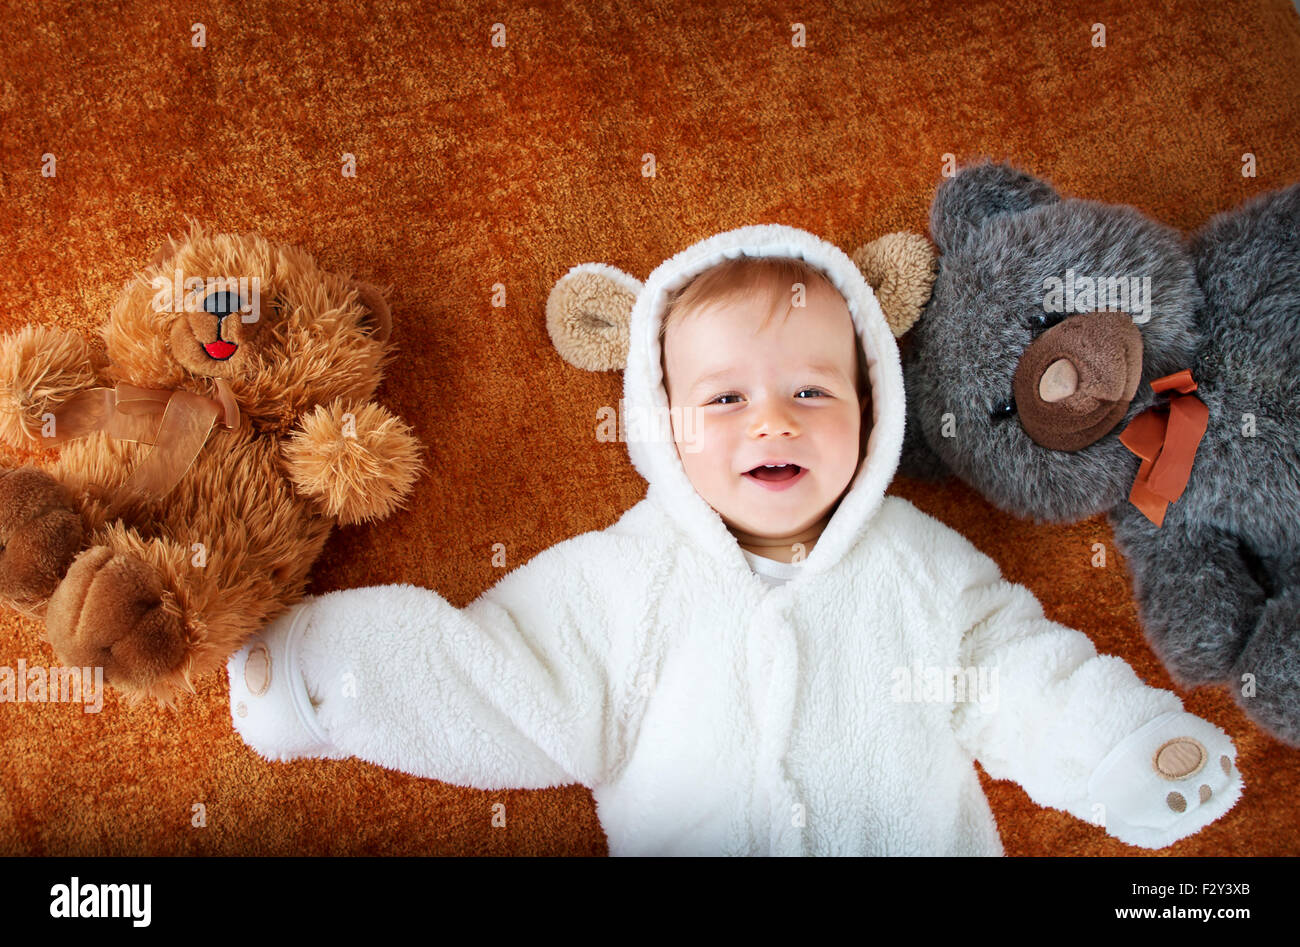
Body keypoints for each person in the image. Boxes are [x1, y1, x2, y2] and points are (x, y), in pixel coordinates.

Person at [228, 224, 1242, 855]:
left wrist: (1119, 749)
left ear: (872, 407)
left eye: (811, 390)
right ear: (659, 421)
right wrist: (323, 673)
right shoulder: (621, 578)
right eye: (724, 398)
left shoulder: (916, 564)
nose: (772, 421)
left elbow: (1019, 676)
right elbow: (494, 682)